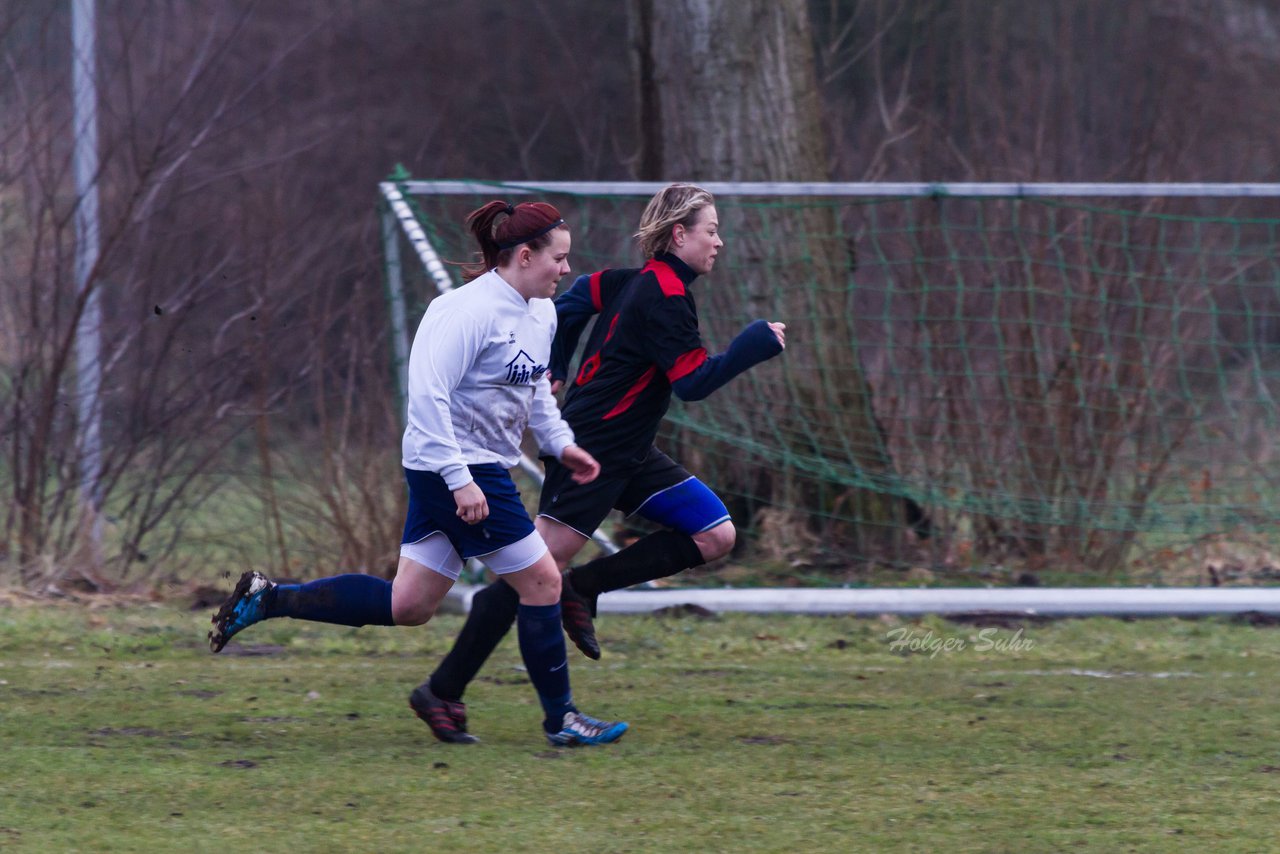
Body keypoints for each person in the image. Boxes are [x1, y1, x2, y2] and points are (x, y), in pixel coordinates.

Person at [208, 200, 628, 748]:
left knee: (409, 604)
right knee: (545, 582)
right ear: (525, 256)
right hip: (453, 465)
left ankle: (270, 599)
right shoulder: (462, 313)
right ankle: (563, 721)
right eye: (559, 259)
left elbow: (535, 389)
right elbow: (426, 400)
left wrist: (560, 444)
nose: (567, 270)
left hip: (474, 467)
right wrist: (460, 480)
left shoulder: (541, 312)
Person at [418, 183, 786, 743]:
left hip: (632, 451)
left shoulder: (623, 280)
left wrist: (555, 365)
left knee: (715, 534)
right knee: (531, 579)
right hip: (590, 450)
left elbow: (568, 304)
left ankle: (583, 588)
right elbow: (692, 383)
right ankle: (443, 690)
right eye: (711, 230)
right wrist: (752, 344)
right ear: (680, 234)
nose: (719, 241)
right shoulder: (661, 295)